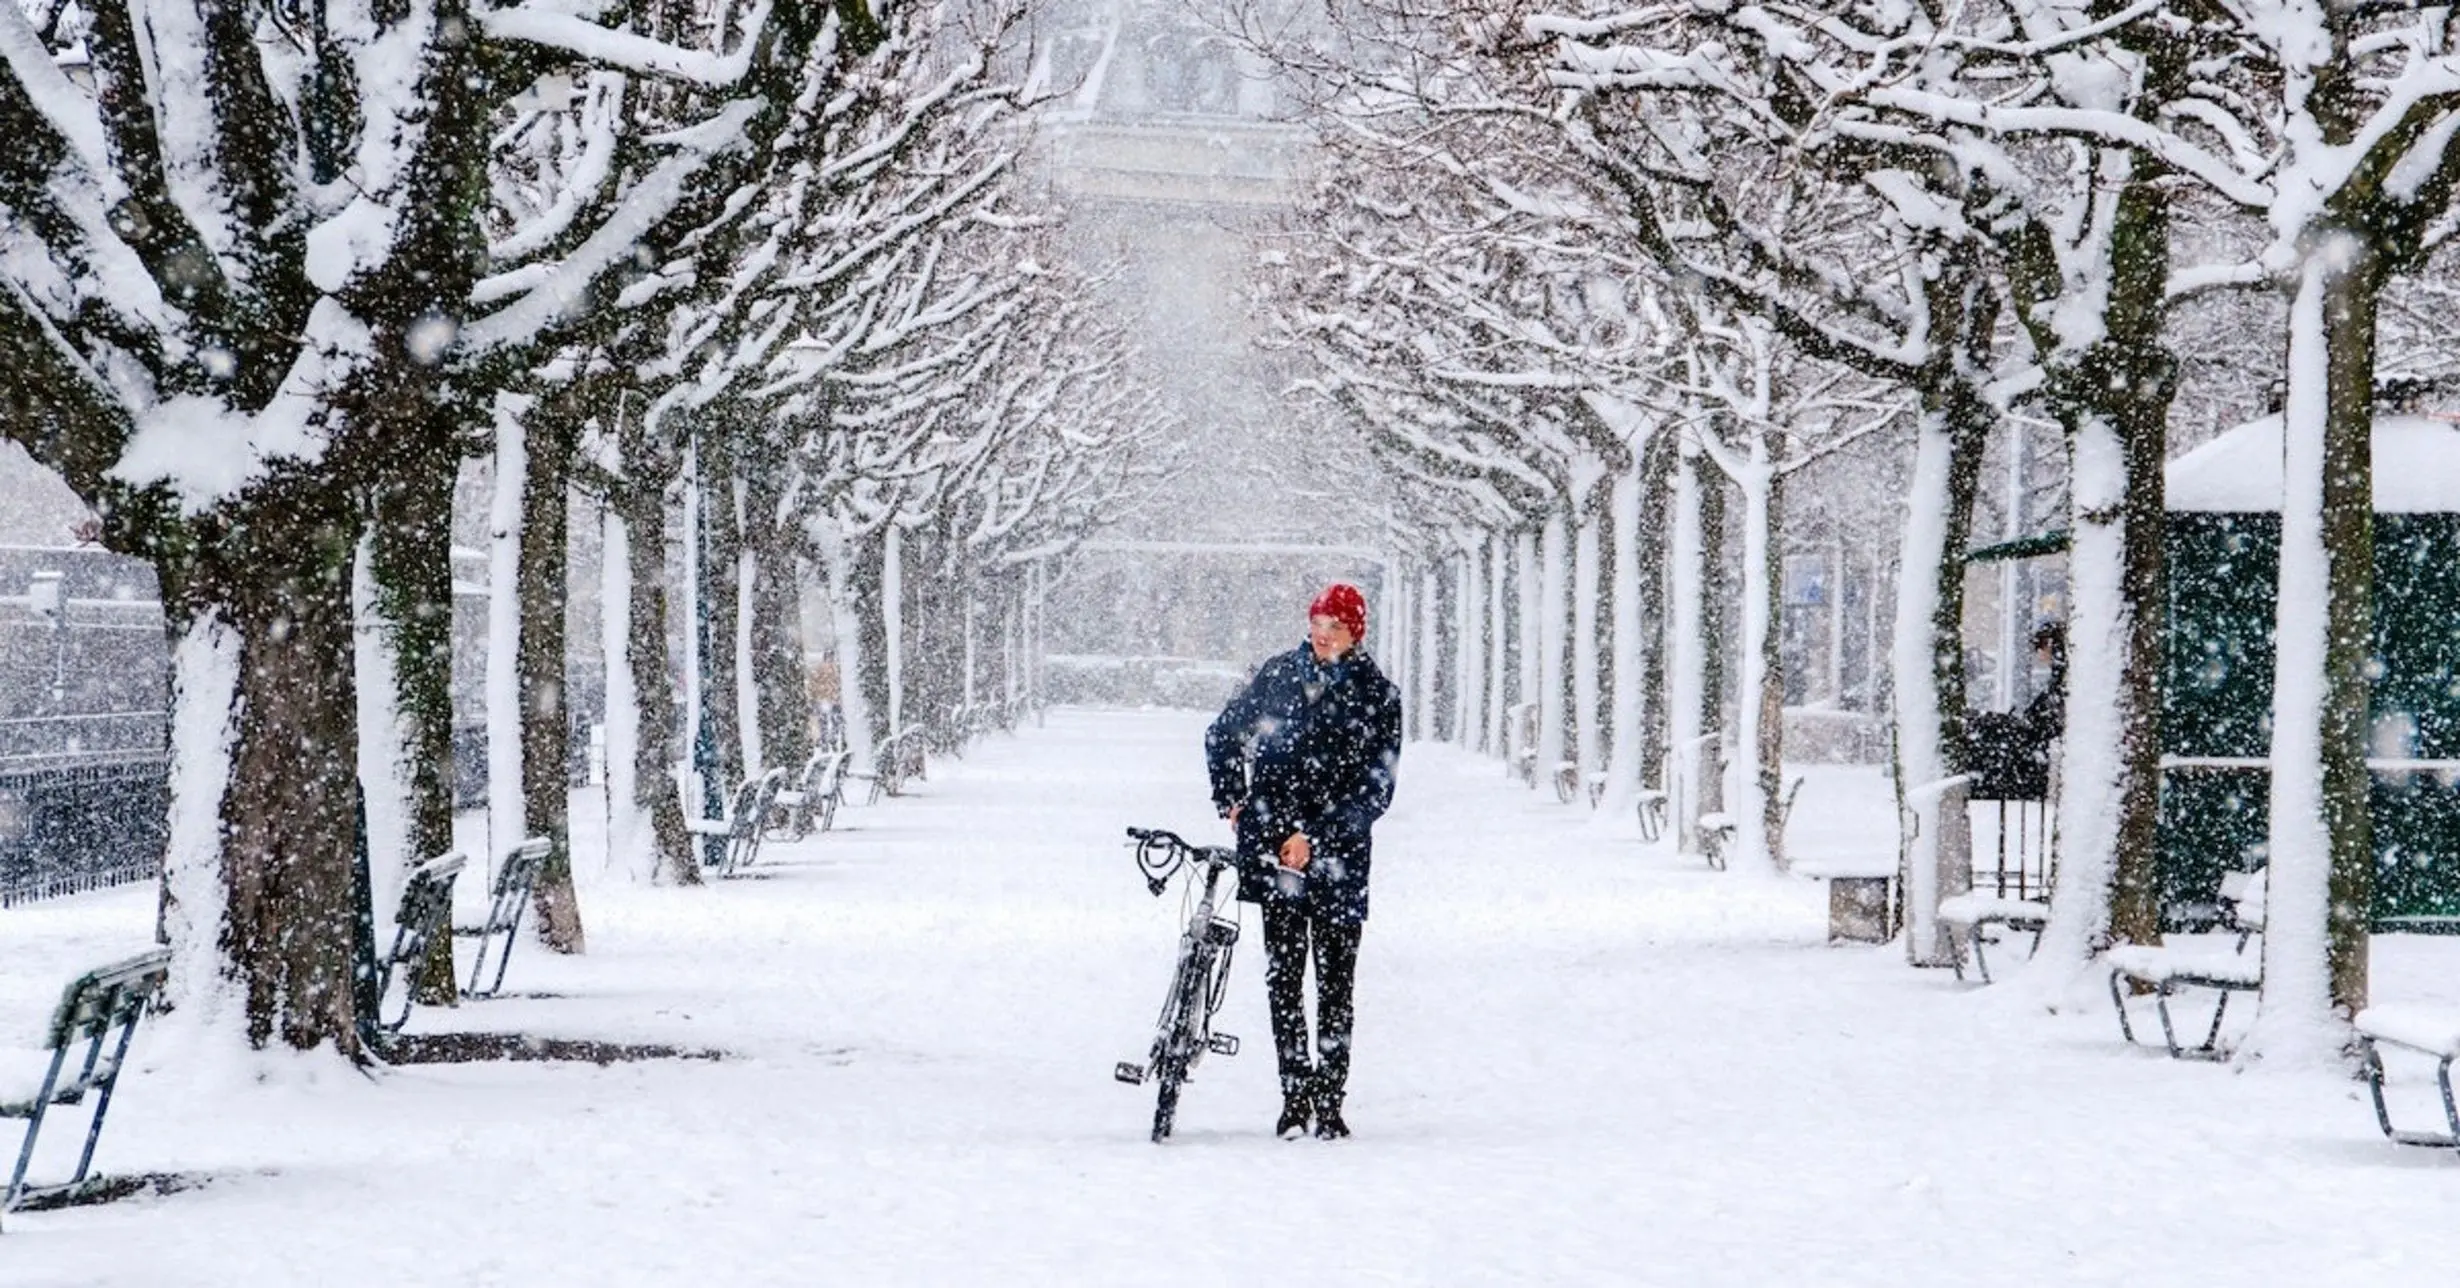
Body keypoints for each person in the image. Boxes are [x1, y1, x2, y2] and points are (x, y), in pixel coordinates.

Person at [1205, 582, 1402, 1140]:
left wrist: (1316, 837)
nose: (1322, 633)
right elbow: (1222, 735)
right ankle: (1294, 1095)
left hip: (1338, 860)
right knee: (1283, 980)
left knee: (1336, 984)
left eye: (1335, 625)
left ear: (1355, 632)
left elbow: (1375, 789)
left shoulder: (1378, 696)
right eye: (1317, 621)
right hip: (1274, 854)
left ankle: (1330, 1099)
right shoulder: (1276, 676)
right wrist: (1233, 800)